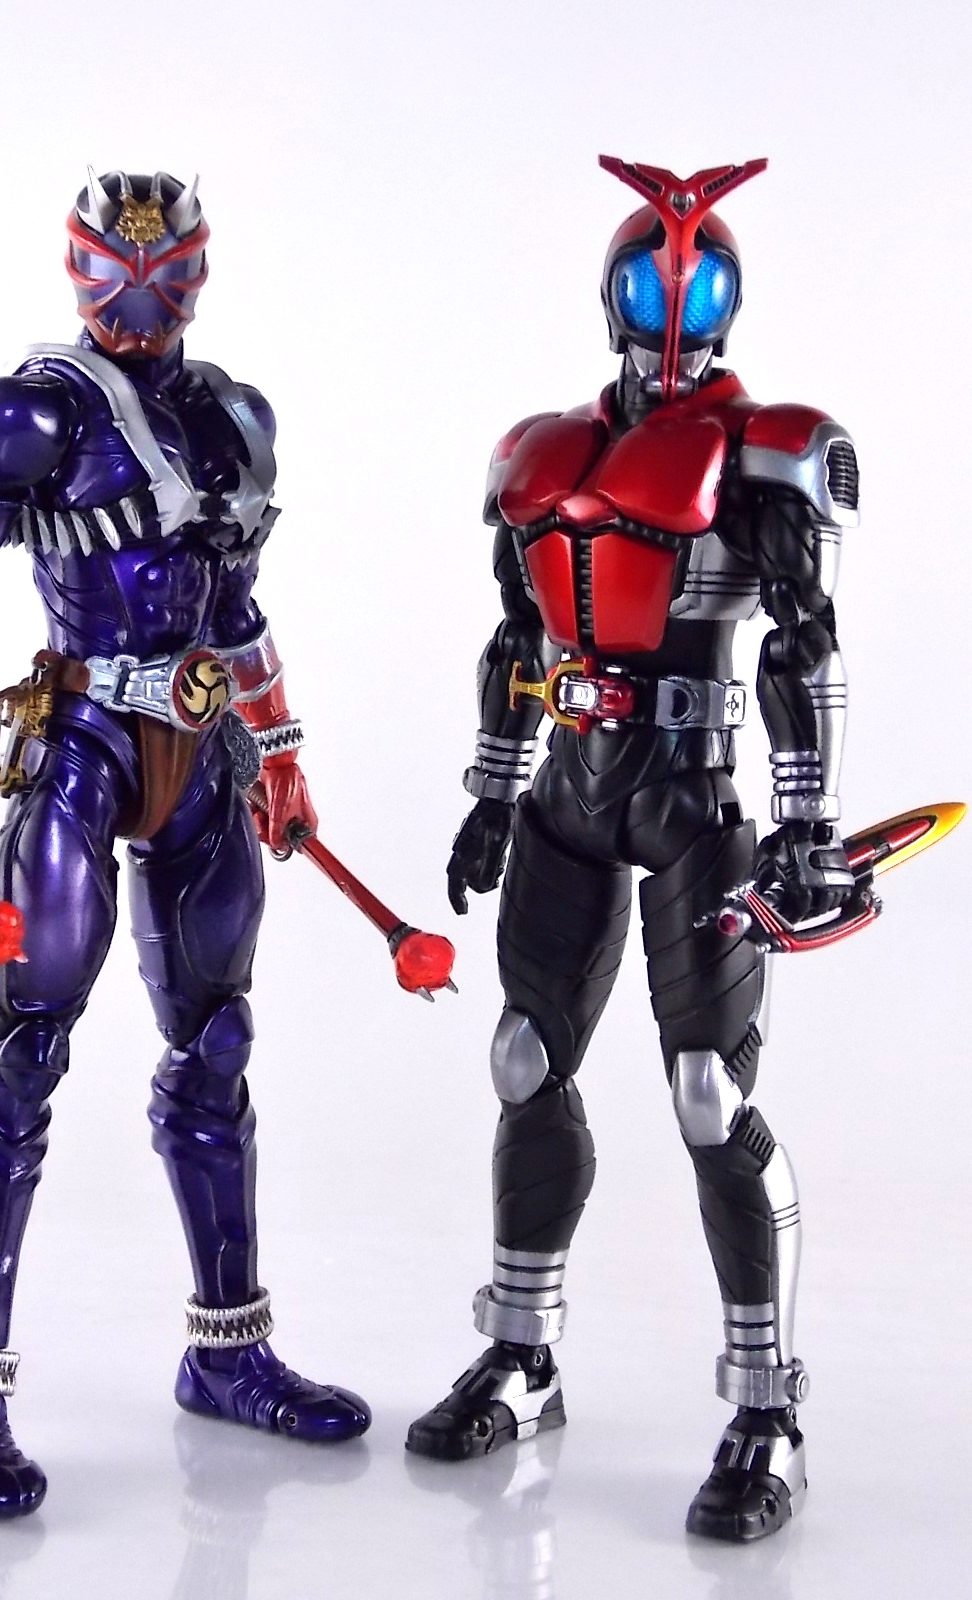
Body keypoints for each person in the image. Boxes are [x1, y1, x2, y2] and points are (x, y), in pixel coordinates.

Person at [0, 168, 369, 1519]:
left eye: (168, 267)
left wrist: (280, 752)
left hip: (203, 754)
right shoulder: (30, 414)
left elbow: (235, 608)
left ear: (201, 271)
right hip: (84, 745)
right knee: (21, 1056)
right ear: (80, 267)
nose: (142, 291)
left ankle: (228, 1353)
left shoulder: (233, 417)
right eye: (119, 265)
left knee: (214, 1042)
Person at [406, 157, 858, 1542]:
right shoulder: (538, 455)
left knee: (709, 1094)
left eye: (698, 288)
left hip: (693, 798)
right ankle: (523, 1355)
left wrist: (804, 826)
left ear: (730, 302)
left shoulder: (768, 449)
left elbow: (802, 645)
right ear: (612, 299)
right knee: (523, 1059)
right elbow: (516, 637)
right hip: (570, 785)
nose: (674, 315)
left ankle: (769, 1413)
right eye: (654, 289)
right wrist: (492, 791)